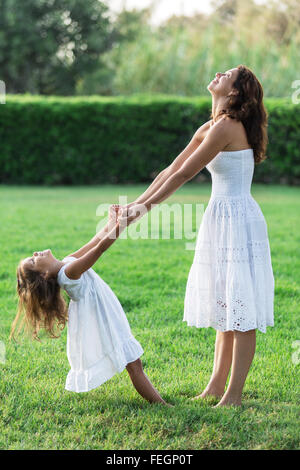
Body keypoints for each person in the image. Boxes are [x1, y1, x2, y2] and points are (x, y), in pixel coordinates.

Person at [115, 65, 275, 407]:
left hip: (238, 220)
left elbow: (184, 175)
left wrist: (138, 213)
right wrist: (133, 206)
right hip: (221, 218)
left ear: (234, 93)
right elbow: (170, 170)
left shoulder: (228, 127)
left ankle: (233, 395)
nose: (218, 73)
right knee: (225, 304)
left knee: (241, 310)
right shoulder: (212, 126)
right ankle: (215, 387)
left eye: (227, 74)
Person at [10, 206, 168, 405]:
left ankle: (159, 402)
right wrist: (121, 225)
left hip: (107, 313)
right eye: (33, 260)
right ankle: (161, 404)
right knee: (134, 363)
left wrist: (111, 221)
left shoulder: (66, 263)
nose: (35, 253)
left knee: (133, 362)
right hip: (106, 320)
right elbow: (99, 249)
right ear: (43, 275)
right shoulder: (68, 273)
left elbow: (94, 241)